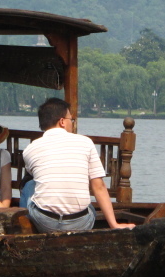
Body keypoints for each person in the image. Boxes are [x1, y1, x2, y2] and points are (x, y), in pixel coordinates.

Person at [21, 98, 134, 233]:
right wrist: (114, 224)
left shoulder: (30, 149)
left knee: (29, 185)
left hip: (45, 222)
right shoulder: (86, 143)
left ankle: (24, 227)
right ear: (62, 122)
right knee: (90, 208)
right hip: (80, 223)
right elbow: (99, 186)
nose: (72, 124)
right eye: (71, 120)